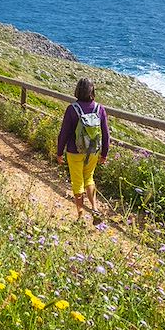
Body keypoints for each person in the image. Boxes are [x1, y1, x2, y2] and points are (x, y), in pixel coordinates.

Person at [57, 78, 110, 223]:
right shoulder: (100, 109)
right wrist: (104, 153)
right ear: (92, 91)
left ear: (77, 91)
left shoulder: (72, 109)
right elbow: (106, 133)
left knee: (77, 182)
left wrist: (59, 152)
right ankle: (95, 208)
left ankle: (80, 215)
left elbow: (64, 133)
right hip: (93, 151)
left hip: (74, 151)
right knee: (89, 178)